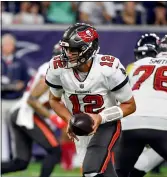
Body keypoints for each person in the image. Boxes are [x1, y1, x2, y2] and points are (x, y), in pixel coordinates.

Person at [45, 23, 136, 177]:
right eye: (66, 49)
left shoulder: (108, 69)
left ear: (89, 49)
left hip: (106, 124)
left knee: (91, 171)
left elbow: (130, 105)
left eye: (74, 49)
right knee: (101, 172)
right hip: (80, 128)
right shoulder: (58, 67)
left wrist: (100, 117)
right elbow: (54, 100)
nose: (68, 54)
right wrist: (70, 119)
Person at [115, 33, 167, 177]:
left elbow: (121, 97)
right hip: (166, 124)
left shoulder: (137, 65)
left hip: (130, 123)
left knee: (120, 172)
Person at [1, 43, 65, 177]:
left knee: (21, 162)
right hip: (26, 112)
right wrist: (53, 117)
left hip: (21, 111)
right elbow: (32, 99)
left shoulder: (55, 69)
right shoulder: (52, 69)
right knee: (54, 150)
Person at [1, 33, 30, 161]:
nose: (7, 47)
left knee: (16, 130)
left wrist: (20, 86)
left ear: (13, 46)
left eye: (9, 44)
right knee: (1, 130)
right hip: (2, 99)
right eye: (5, 44)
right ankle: (3, 158)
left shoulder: (20, 62)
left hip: (16, 100)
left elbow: (26, 81)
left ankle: (17, 157)